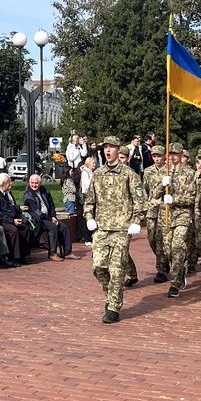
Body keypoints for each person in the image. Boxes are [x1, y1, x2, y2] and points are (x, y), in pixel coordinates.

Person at [83, 136, 145, 323]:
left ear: (118, 149)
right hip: (101, 229)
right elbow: (89, 201)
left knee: (117, 270)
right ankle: (111, 295)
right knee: (98, 268)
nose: (107, 151)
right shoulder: (98, 174)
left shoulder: (129, 174)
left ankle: (113, 307)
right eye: (105, 148)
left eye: (111, 147)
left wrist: (136, 221)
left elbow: (140, 201)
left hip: (121, 229)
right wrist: (89, 217)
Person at [155, 143, 197, 298]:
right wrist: (162, 184)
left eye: (175, 154)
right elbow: (154, 194)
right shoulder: (163, 172)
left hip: (182, 215)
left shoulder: (189, 173)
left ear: (181, 155)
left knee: (178, 246)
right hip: (166, 216)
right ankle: (180, 271)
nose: (172, 156)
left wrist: (174, 199)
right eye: (170, 153)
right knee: (168, 250)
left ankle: (175, 283)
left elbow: (192, 197)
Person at [25, 173, 76, 261]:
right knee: (52, 227)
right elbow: (37, 212)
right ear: (29, 183)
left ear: (40, 183)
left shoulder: (44, 190)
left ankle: (68, 252)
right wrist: (50, 219)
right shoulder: (28, 195)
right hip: (38, 220)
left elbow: (52, 205)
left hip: (49, 217)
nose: (34, 185)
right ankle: (52, 253)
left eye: (36, 183)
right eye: (32, 183)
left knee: (63, 227)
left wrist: (53, 217)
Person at [0, 173, 31, 265]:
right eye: (9, 182)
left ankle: (23, 255)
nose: (11, 184)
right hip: (0, 221)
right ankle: (14, 257)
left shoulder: (5, 193)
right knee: (13, 230)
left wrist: (18, 209)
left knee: (25, 228)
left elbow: (9, 208)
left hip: (9, 218)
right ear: (4, 183)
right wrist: (12, 221)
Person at [141, 146, 169, 283]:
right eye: (155, 156)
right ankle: (163, 261)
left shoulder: (169, 170)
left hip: (165, 209)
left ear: (164, 156)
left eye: (159, 156)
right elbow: (144, 190)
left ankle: (161, 270)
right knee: (151, 239)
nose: (157, 159)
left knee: (161, 240)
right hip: (152, 210)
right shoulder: (148, 172)